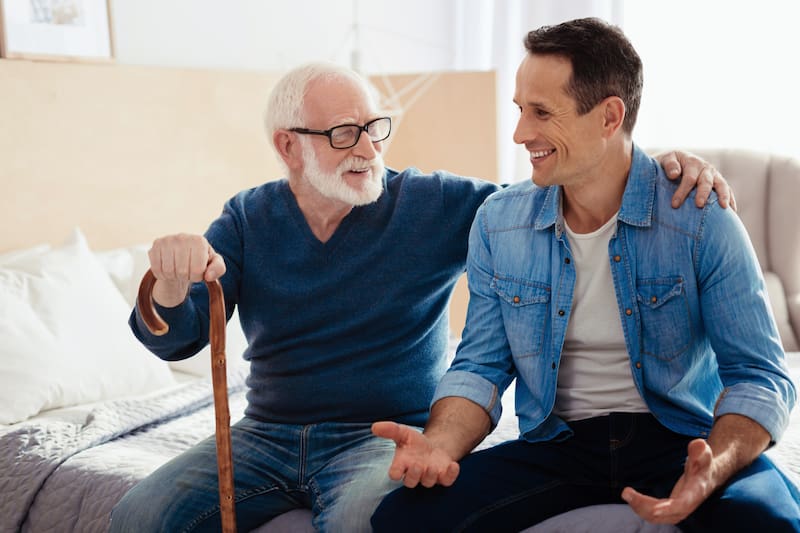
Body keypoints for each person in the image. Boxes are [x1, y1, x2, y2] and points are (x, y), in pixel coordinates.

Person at [109, 60, 733, 532]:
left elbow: (552, 201)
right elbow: (185, 334)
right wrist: (167, 283)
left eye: (375, 128)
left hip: (382, 434)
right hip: (265, 434)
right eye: (344, 133)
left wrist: (645, 169)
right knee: (136, 515)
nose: (368, 148)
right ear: (287, 146)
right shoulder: (249, 217)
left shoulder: (433, 202)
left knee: (377, 525)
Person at [370, 17, 800, 533]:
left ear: (608, 116)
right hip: (559, 445)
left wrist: (714, 468)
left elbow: (759, 376)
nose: (520, 132)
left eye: (542, 112)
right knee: (401, 519)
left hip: (681, 440)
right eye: (520, 110)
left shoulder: (700, 218)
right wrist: (439, 444)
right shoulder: (499, 221)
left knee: (770, 523)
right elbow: (481, 365)